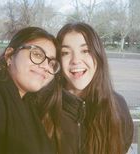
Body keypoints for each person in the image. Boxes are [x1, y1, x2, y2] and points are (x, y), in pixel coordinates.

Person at [56, 22, 133, 154]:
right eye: (65, 52)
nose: (75, 60)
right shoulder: (45, 106)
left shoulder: (118, 106)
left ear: (98, 55)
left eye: (85, 51)